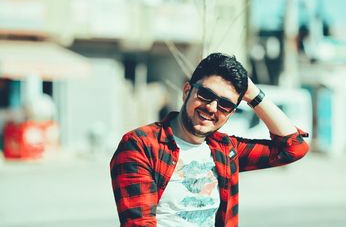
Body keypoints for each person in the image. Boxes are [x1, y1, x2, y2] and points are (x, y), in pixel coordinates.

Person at [110, 53, 309, 227]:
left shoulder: (225, 149)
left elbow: (293, 148)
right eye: (206, 95)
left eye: (225, 105)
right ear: (187, 91)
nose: (212, 108)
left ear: (231, 113)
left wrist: (253, 95)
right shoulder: (141, 145)